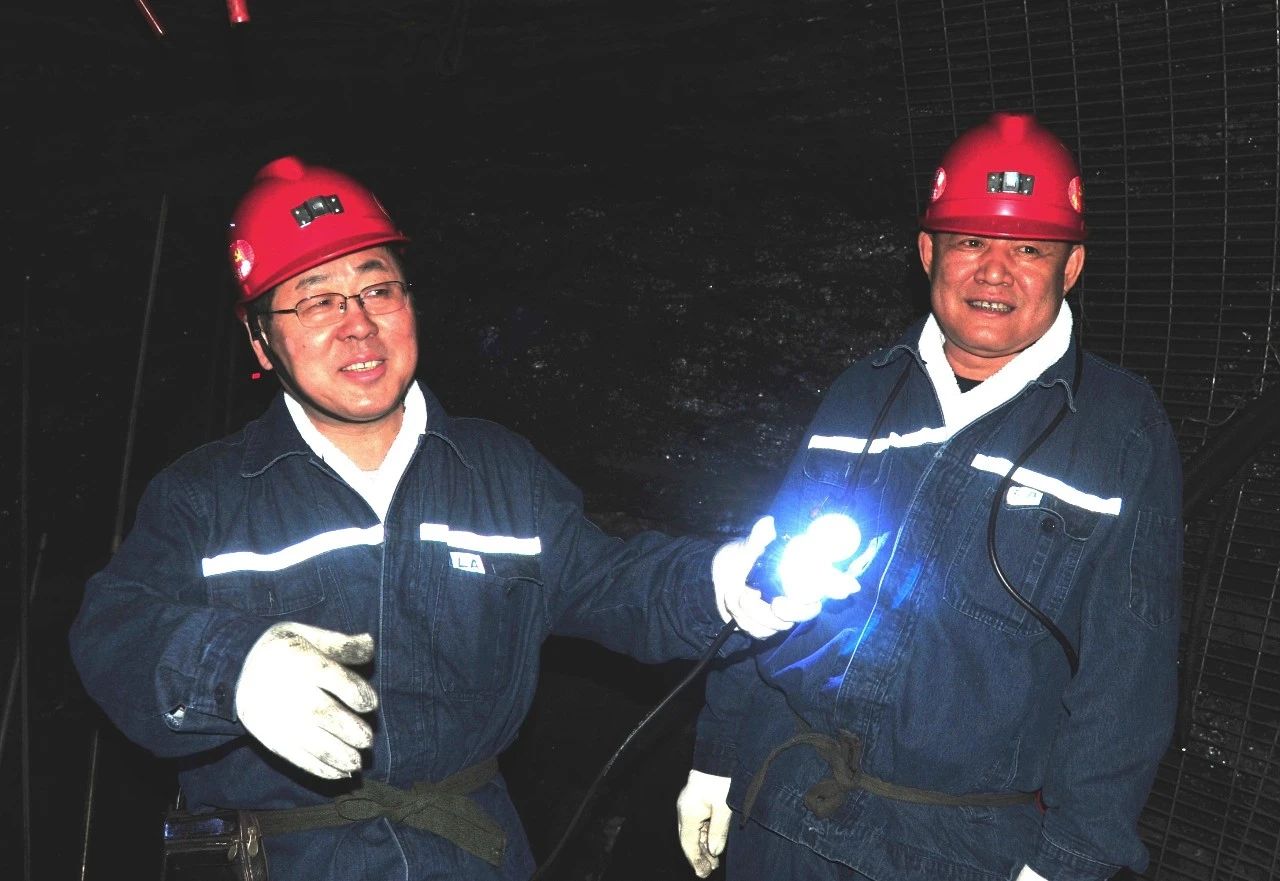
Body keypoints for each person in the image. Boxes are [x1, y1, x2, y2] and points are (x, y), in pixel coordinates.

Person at [69, 155, 793, 880]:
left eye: (378, 289)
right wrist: (234, 667)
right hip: (282, 860)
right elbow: (113, 628)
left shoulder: (500, 471)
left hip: (471, 854)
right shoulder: (204, 493)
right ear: (261, 340)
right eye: (317, 302)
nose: (358, 325)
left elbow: (616, 581)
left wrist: (719, 580)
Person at [676, 112, 1182, 881]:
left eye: (1029, 249)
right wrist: (715, 756)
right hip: (781, 810)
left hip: (952, 851)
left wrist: (1071, 860)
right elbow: (764, 582)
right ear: (927, 252)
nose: (994, 271)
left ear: (1071, 266)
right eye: (970, 241)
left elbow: (1129, 675)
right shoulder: (862, 391)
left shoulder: (1120, 432)